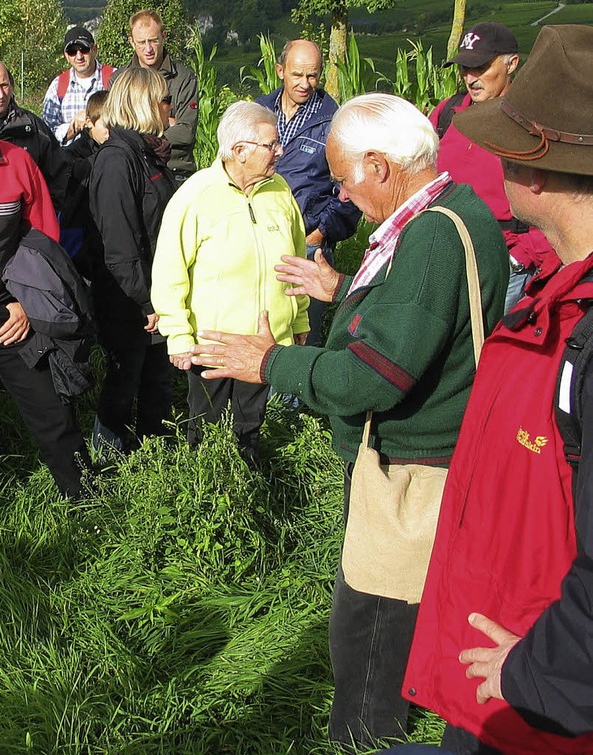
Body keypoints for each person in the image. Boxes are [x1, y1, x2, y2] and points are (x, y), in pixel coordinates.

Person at [186, 93, 509, 747]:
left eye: (344, 176)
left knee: (368, 631)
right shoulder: (459, 210)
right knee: (396, 620)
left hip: (410, 468)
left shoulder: (430, 241)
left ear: (380, 165)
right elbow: (422, 325)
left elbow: (374, 377)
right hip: (443, 456)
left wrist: (272, 363)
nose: (341, 191)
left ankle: (366, 740)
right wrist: (345, 294)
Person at [402, 24, 593, 754]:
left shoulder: (582, 329)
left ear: (538, 173)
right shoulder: (557, 298)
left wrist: (542, 667)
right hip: (515, 677)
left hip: (544, 706)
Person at [0, 68, 88, 511]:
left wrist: (27, 304)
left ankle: (85, 498)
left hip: (6, 314)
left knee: (49, 409)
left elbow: (43, 240)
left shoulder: (17, 161)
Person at [150, 101, 310, 463]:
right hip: (213, 344)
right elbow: (169, 269)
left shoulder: (280, 191)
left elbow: (296, 261)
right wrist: (178, 335)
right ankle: (205, 495)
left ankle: (247, 495)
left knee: (250, 426)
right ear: (239, 151)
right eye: (271, 145)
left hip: (263, 342)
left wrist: (299, 319)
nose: (279, 152)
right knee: (205, 427)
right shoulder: (196, 195)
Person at [430, 21, 558, 312]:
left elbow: (564, 200)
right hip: (445, 255)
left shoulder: (533, 124)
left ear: (512, 64)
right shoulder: (448, 113)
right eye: (464, 68)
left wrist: (522, 256)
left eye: (481, 67)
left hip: (503, 262)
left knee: (491, 351)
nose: (470, 77)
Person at [89, 67, 175, 457]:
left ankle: (151, 462)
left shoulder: (146, 154)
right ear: (143, 103)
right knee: (123, 388)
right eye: (163, 99)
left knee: (156, 384)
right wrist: (148, 302)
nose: (169, 108)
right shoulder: (116, 161)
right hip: (130, 302)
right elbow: (120, 248)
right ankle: (109, 477)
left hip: (153, 296)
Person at [257, 39, 361, 345]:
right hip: (260, 239)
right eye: (297, 75)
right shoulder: (259, 111)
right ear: (280, 71)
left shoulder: (334, 122)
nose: (305, 84)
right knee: (263, 327)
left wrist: (318, 234)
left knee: (303, 335)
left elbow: (349, 189)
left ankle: (299, 394)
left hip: (308, 246)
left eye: (313, 76)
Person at [110, 10, 198, 183]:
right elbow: (115, 128)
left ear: (163, 36)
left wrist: (138, 127)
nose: (148, 49)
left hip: (175, 171)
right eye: (142, 42)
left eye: (153, 40)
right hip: (134, 171)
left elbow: (186, 132)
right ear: (131, 42)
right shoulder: (119, 80)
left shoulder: (183, 78)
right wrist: (164, 122)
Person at [0, 56, 68, 213]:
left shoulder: (32, 127)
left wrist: (41, 222)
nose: (0, 94)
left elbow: (58, 176)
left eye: (4, 85)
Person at [61, 90, 109, 277]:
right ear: (88, 122)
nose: (110, 131)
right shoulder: (72, 157)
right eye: (106, 124)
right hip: (80, 243)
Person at [42, 26, 114, 145]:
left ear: (94, 50)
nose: (79, 56)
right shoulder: (57, 86)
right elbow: (47, 131)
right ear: (66, 55)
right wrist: (71, 129)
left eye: (84, 49)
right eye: (72, 52)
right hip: (72, 159)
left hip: (109, 154)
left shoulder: (114, 78)